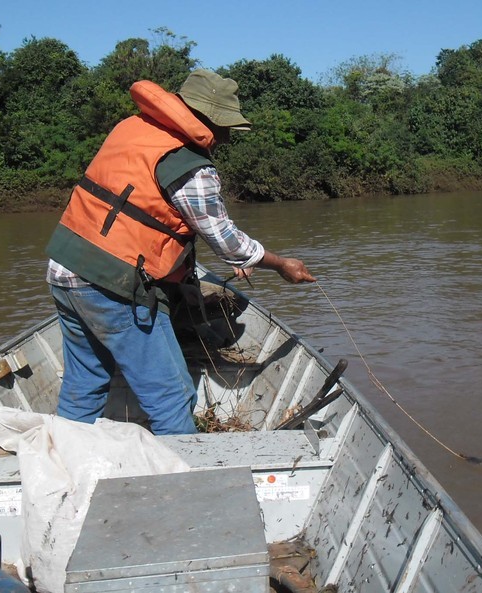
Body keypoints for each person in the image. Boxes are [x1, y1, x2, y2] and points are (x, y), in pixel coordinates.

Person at [44, 69, 316, 435]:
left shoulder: (132, 129)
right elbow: (227, 243)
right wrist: (281, 264)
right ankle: (184, 482)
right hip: (111, 285)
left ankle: (63, 463)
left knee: (85, 382)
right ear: (206, 118)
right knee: (172, 397)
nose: (223, 140)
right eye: (224, 129)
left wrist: (180, 280)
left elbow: (146, 218)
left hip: (65, 269)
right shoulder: (189, 166)